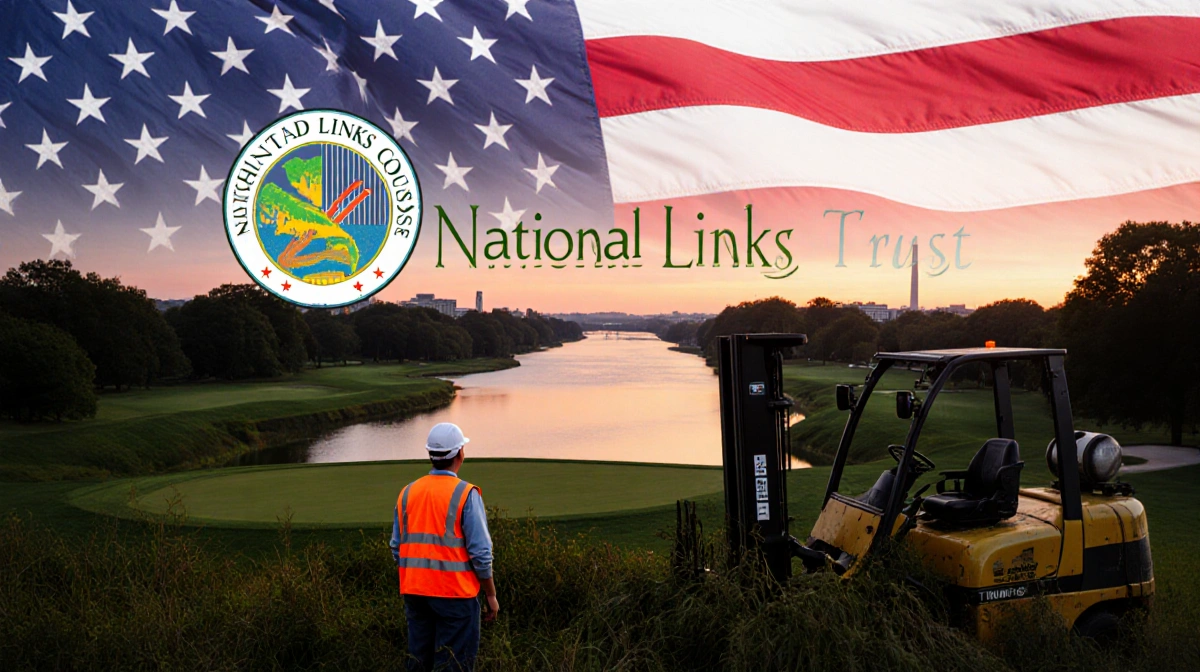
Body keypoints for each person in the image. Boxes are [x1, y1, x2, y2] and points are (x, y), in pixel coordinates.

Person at [391, 423, 498, 672]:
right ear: (460, 453)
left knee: (419, 662)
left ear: (431, 455)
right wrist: (490, 595)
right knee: (453, 665)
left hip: (415, 594)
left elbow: (397, 549)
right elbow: (481, 555)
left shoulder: (407, 492)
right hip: (456, 596)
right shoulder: (465, 494)